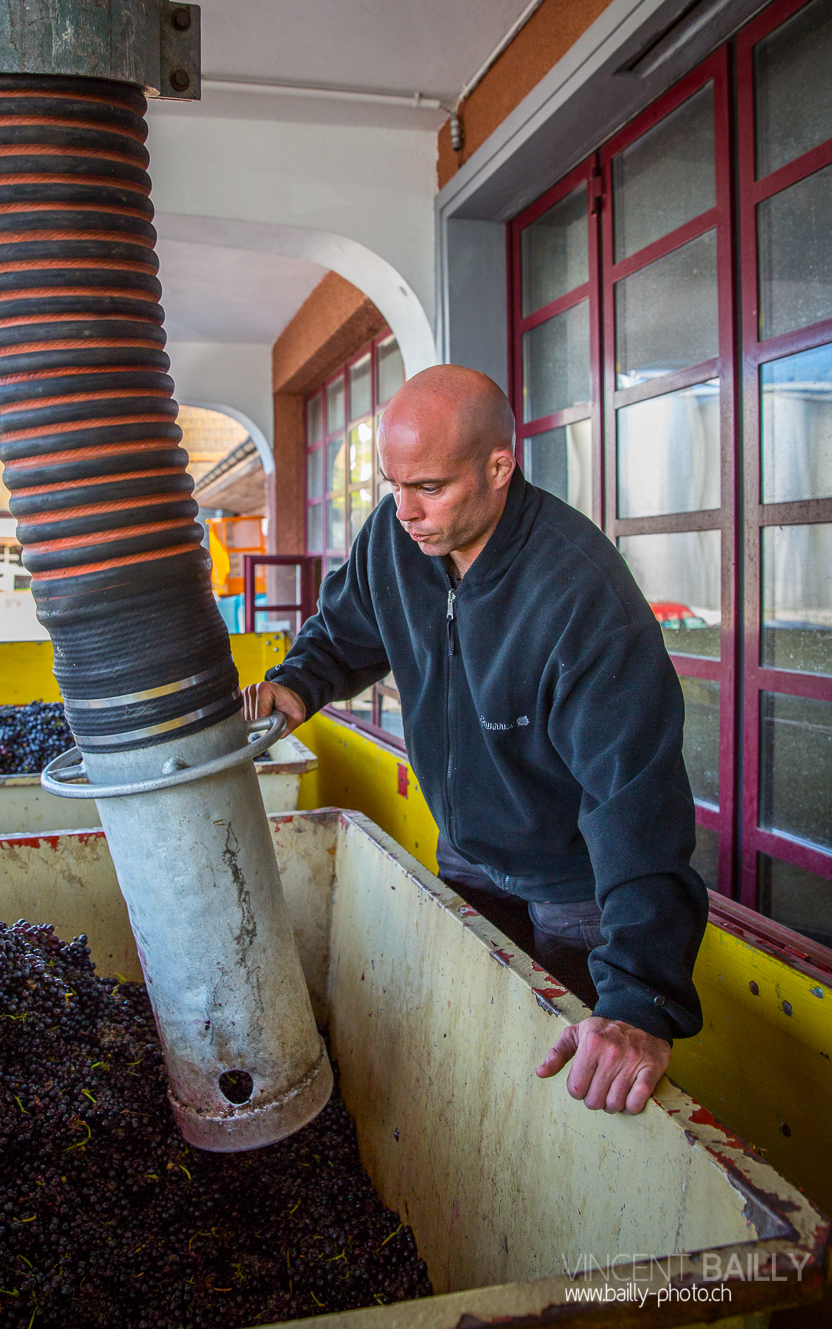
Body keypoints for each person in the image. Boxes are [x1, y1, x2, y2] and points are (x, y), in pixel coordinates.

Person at [244, 365, 708, 1117]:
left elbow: (637, 800)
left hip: (574, 890)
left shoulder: (581, 596)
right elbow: (345, 632)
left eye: (428, 486)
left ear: (499, 467)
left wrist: (640, 997)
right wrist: (296, 687)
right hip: (466, 850)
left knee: (559, 1087)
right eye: (393, 485)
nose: (405, 511)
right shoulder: (397, 541)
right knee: (476, 1042)